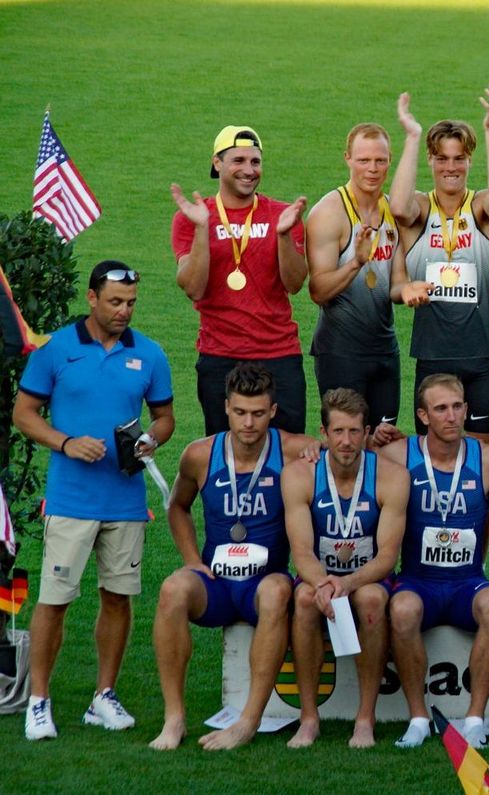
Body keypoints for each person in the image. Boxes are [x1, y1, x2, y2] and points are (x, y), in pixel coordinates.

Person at [15, 261, 174, 742]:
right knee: (54, 601)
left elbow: (164, 417)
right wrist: (65, 443)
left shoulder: (149, 354)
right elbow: (24, 413)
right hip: (70, 500)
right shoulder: (56, 349)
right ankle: (38, 701)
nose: (124, 311)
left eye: (130, 303)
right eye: (115, 302)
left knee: (118, 598)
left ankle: (103, 696)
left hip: (125, 501)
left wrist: (151, 439)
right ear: (91, 298)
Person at [148, 363, 313, 751]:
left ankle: (247, 721)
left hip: (264, 583)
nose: (249, 423)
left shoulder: (291, 450)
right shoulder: (200, 455)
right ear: (226, 408)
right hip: (217, 584)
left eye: (258, 413)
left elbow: (342, 450)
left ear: (273, 411)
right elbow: (177, 507)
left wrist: (319, 447)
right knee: (173, 589)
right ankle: (174, 719)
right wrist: (191, 559)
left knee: (276, 591)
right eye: (240, 412)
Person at [380, 374, 489, 750]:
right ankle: (419, 718)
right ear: (423, 416)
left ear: (467, 410)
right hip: (417, 581)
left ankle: (474, 720)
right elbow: (347, 461)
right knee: (402, 609)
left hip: (465, 582)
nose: (451, 416)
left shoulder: (488, 461)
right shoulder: (397, 456)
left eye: (457, 407)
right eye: (440, 409)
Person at [283, 388, 408, 749]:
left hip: (369, 576)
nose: (347, 441)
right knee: (306, 599)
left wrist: (347, 583)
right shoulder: (299, 475)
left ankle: (365, 718)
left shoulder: (391, 477)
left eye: (355, 432)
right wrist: (324, 583)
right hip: (318, 574)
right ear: (323, 433)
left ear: (367, 433)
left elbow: (387, 556)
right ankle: (309, 718)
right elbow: (302, 551)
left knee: (369, 599)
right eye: (338, 432)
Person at [387, 89, 489, 440]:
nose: (451, 167)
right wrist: (412, 137)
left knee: (482, 450)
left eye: (459, 158)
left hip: (481, 356)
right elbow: (397, 207)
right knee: (430, 451)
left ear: (470, 160)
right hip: (433, 356)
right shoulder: (420, 210)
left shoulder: (481, 208)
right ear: (430, 160)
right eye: (441, 158)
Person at [171, 125, 309, 435]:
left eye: (255, 162)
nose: (249, 170)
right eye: (239, 161)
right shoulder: (192, 217)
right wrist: (203, 231)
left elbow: (295, 283)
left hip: (279, 354)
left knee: (288, 454)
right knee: (223, 455)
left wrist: (284, 236)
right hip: (220, 356)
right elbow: (193, 287)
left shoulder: (282, 215)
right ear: (217, 163)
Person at [305, 124, 406, 429]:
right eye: (363, 160)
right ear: (347, 158)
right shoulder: (329, 213)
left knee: (385, 441)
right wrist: (355, 264)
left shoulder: (394, 211)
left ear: (390, 161)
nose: (372, 169)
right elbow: (318, 291)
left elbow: (397, 281)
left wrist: (410, 289)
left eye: (380, 160)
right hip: (341, 352)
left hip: (386, 350)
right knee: (345, 444)